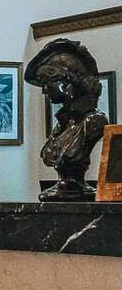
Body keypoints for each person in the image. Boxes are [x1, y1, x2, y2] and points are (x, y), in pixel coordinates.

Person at [24, 38, 107, 201]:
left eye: (48, 84)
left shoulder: (94, 122)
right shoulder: (61, 125)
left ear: (67, 84)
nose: (44, 91)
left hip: (79, 195)